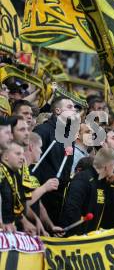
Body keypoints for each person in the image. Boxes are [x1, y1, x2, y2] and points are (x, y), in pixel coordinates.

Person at [33, 96, 77, 224]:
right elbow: (31, 162)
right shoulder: (43, 130)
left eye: (74, 107)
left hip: (58, 196)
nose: (74, 110)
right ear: (57, 111)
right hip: (40, 193)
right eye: (69, 107)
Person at [60, 148, 114, 236]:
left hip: (90, 238)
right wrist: (80, 235)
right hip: (75, 239)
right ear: (107, 165)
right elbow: (71, 209)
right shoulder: (82, 179)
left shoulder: (102, 182)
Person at [0, 142, 36, 234]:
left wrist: (23, 222)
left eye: (23, 154)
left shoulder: (13, 174)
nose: (22, 157)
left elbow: (14, 203)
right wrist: (1, 222)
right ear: (5, 157)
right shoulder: (1, 172)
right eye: (18, 154)